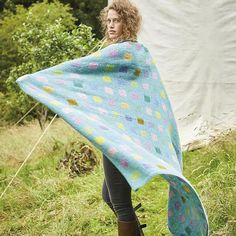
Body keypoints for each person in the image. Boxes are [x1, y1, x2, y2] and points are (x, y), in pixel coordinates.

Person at [99, 1, 145, 235]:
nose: (111, 25)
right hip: (120, 132)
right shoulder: (135, 50)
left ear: (128, 21)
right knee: (109, 196)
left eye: (116, 20)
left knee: (120, 204)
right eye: (108, 21)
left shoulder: (121, 52)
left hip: (120, 137)